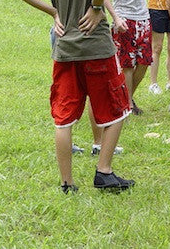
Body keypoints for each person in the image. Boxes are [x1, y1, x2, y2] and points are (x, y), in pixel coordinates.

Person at [12, 0, 134, 193]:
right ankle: (104, 172)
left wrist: (53, 11)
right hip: (97, 50)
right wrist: (95, 8)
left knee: (63, 118)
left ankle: (67, 183)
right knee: (118, 110)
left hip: (64, 50)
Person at [50, 27, 123, 156]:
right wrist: (97, 8)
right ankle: (102, 159)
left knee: (65, 111)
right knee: (104, 101)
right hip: (92, 41)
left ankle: (67, 175)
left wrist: (54, 14)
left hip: (65, 39)